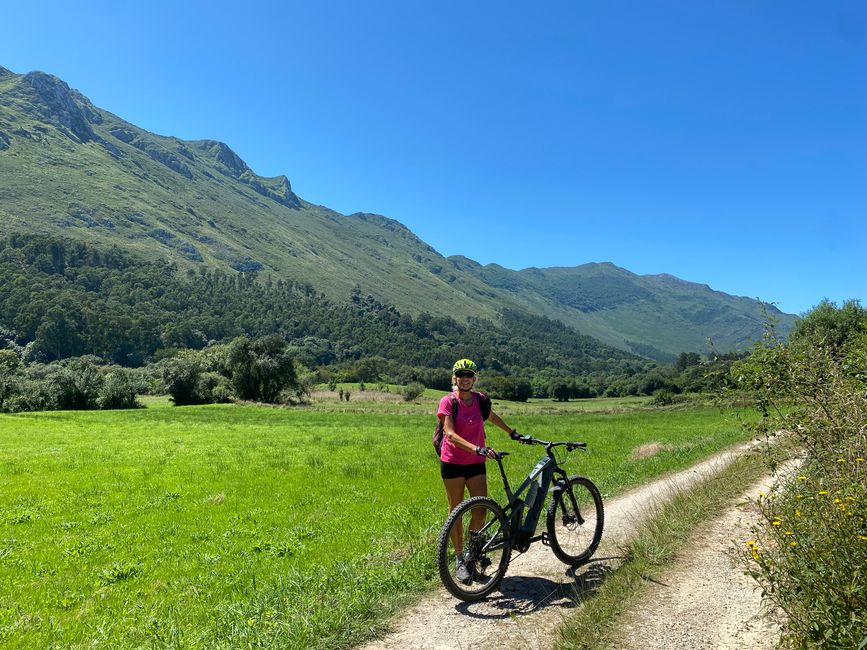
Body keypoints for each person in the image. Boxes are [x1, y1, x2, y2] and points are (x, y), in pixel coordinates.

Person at [437, 358, 517, 582]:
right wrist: (478, 448)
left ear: (474, 378)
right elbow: (450, 434)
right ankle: (459, 559)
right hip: (453, 462)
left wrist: (511, 432)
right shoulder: (448, 401)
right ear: (455, 378)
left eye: (469, 375)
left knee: (480, 509)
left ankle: (473, 556)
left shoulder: (480, 400)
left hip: (475, 463)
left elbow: (491, 417)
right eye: (460, 375)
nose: (465, 379)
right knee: (456, 512)